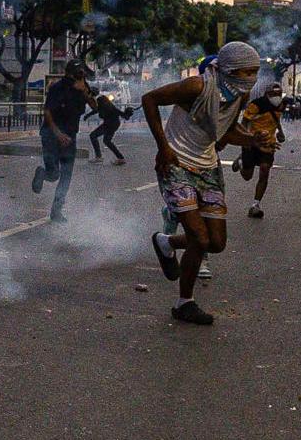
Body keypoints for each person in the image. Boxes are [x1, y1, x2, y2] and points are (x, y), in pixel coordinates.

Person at [143, 41, 263, 326]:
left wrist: (251, 140)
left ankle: (167, 241)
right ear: (231, 68)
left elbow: (224, 133)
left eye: (255, 72)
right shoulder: (196, 86)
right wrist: (163, 146)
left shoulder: (240, 97)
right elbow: (149, 100)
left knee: (216, 242)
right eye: (248, 71)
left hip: (208, 168)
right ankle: (185, 302)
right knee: (198, 238)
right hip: (177, 164)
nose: (252, 79)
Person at [31, 61, 93, 222]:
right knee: (54, 174)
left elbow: (96, 106)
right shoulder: (58, 87)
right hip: (52, 136)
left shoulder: (82, 88)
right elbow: (48, 112)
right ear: (71, 73)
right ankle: (43, 173)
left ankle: (56, 211)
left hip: (70, 137)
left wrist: (85, 92)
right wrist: (58, 134)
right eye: (79, 72)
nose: (82, 75)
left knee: (66, 176)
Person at [230, 83, 287, 218]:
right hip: (252, 143)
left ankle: (256, 204)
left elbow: (276, 119)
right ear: (267, 94)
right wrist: (245, 140)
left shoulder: (280, 106)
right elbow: (244, 123)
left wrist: (280, 132)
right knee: (247, 176)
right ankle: (241, 162)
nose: (276, 97)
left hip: (268, 145)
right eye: (273, 95)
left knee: (265, 170)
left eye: (279, 94)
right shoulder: (255, 105)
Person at [82, 93, 134, 165]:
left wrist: (128, 113)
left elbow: (97, 110)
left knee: (93, 136)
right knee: (107, 141)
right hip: (113, 124)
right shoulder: (106, 103)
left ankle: (99, 157)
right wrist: (127, 114)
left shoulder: (101, 101)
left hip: (109, 124)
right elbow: (123, 115)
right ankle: (121, 158)